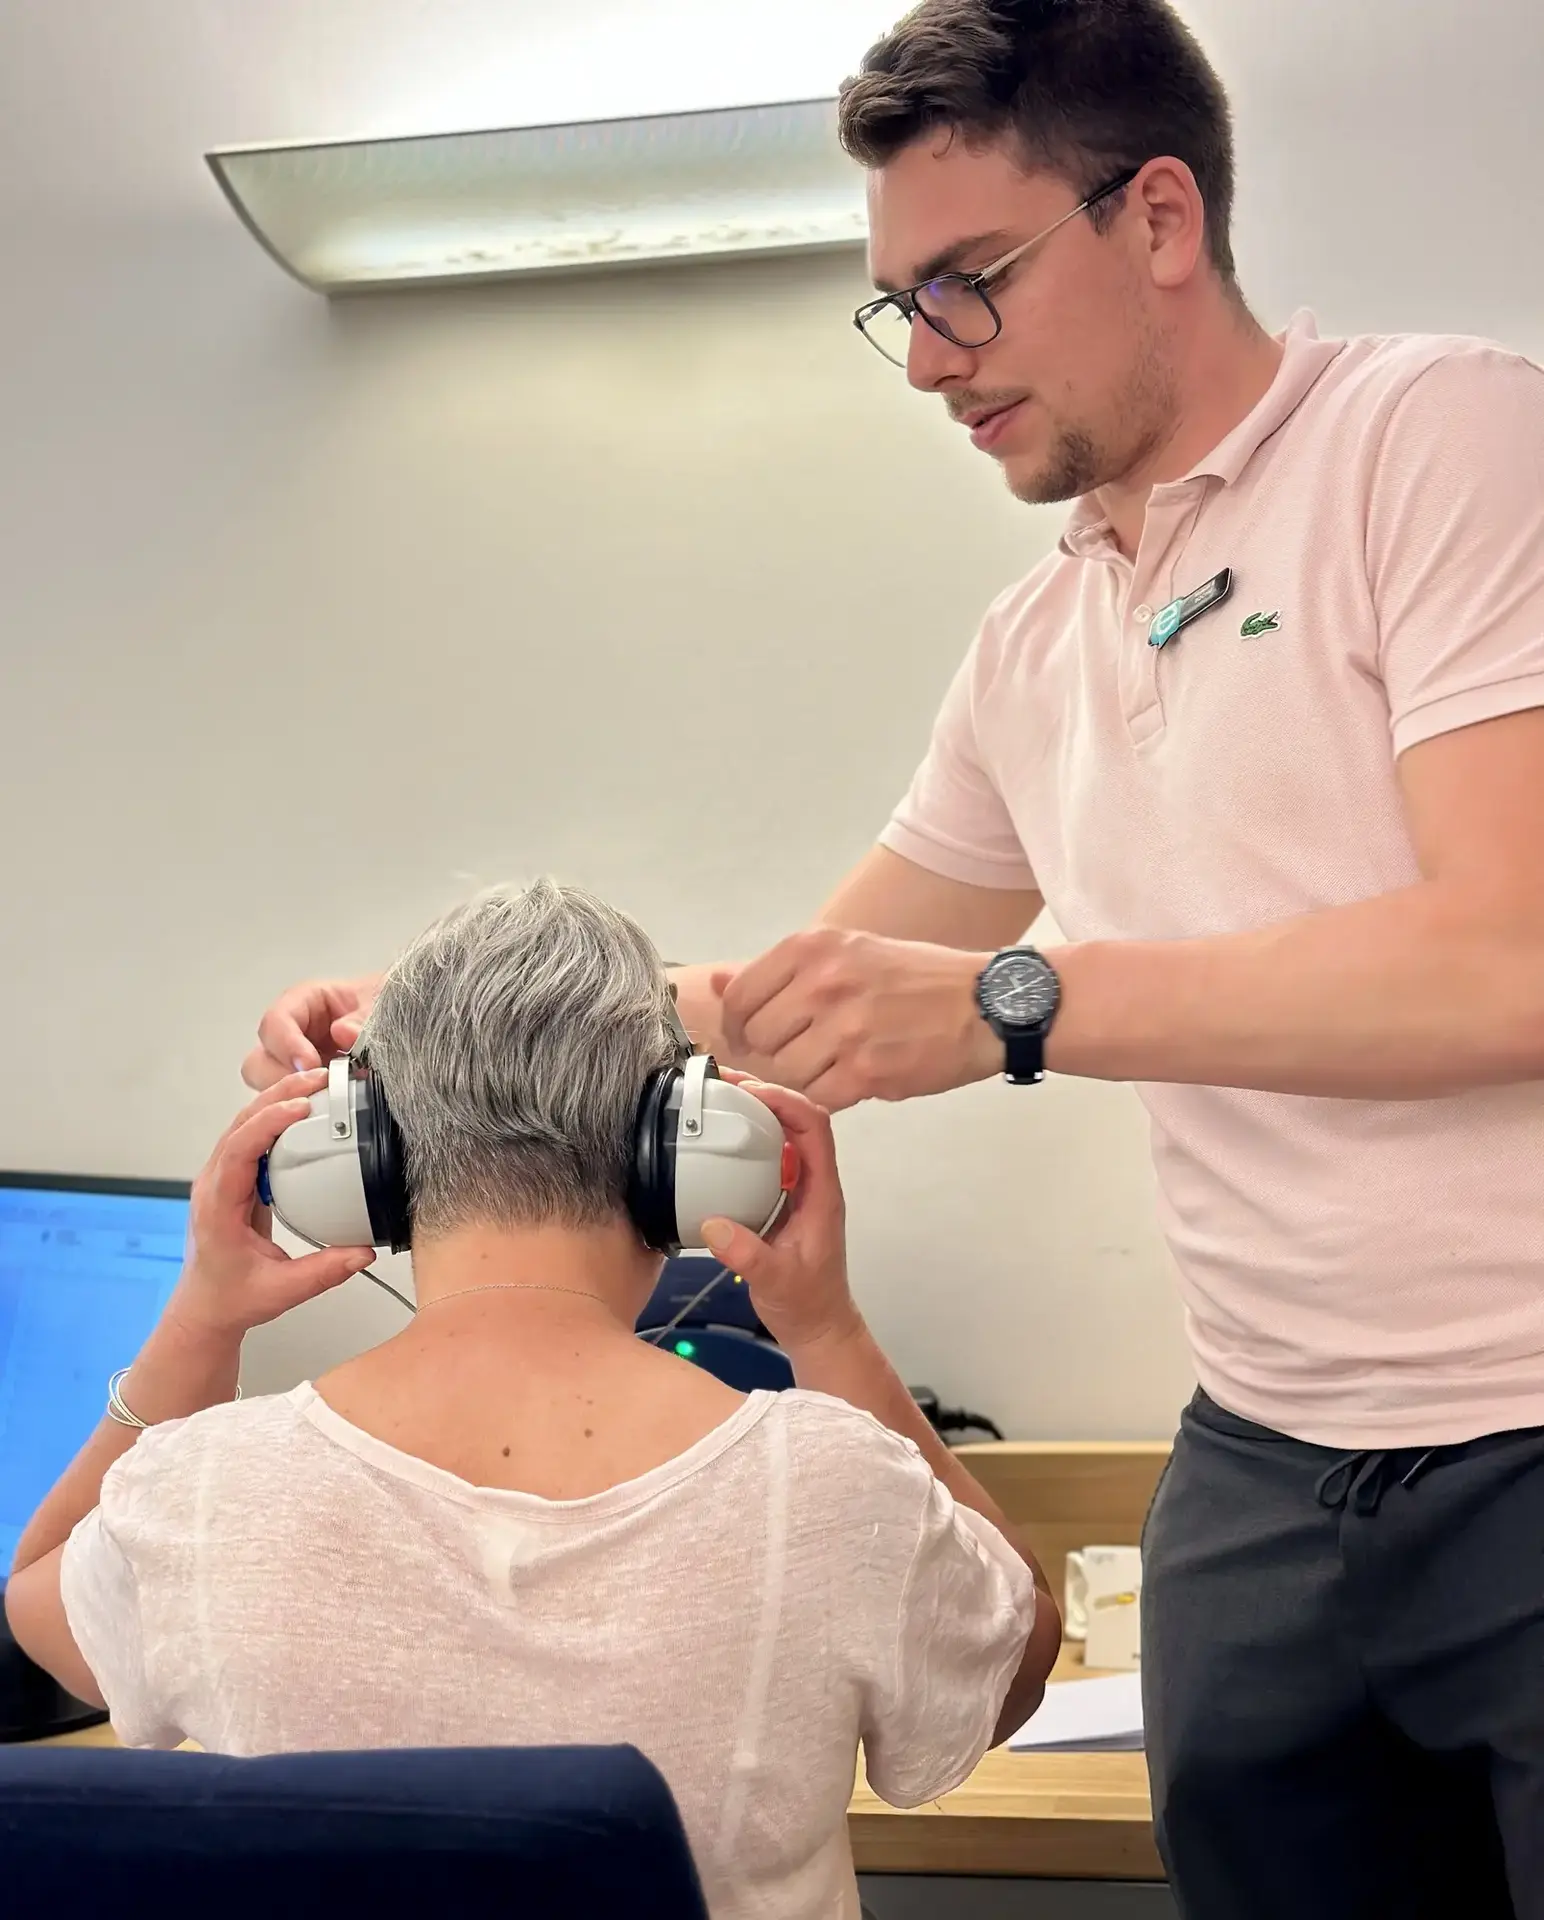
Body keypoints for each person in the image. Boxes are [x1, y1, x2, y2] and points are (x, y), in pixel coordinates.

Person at [241, 3, 1544, 1912]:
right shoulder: (1034, 647)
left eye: (969, 288)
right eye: (898, 305)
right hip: (1260, 1472)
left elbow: (1503, 962)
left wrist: (1022, 1005)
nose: (928, 361)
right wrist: (417, 1024)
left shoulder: (1434, 442)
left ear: (1158, 219)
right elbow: (811, 987)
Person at [8, 881, 1058, 1920]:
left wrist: (202, 1318)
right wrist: (825, 1327)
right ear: (683, 1156)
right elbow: (1013, 1665)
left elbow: (41, 1603)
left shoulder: (203, 1492)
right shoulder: (833, 1489)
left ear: (364, 1163)